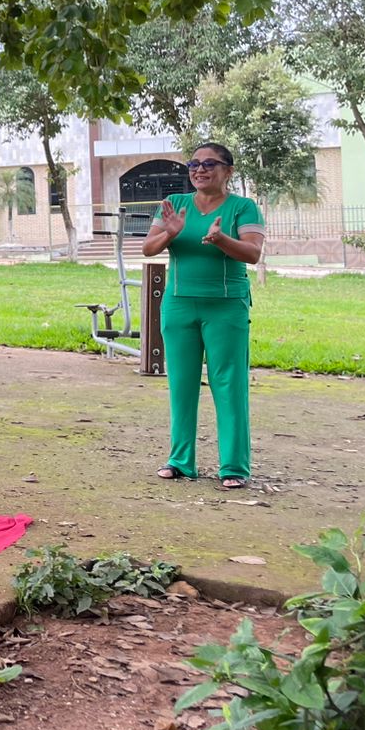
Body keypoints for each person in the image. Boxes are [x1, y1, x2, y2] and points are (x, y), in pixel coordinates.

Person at [142, 142, 266, 490]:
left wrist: (222, 239)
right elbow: (147, 249)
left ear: (228, 170)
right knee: (181, 385)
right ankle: (180, 461)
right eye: (194, 163)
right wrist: (170, 232)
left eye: (210, 164)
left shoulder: (242, 207)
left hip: (226, 307)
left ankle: (234, 466)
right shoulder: (175, 205)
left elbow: (253, 254)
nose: (200, 169)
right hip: (179, 305)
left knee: (229, 385)